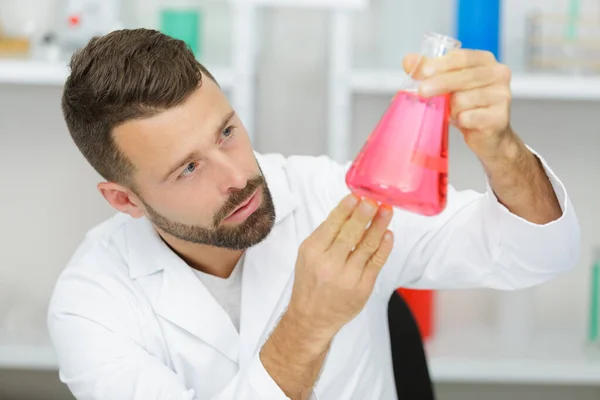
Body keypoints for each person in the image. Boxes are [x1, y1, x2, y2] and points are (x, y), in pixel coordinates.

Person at [47, 28, 580, 400]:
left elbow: (538, 253)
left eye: (227, 133)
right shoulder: (92, 303)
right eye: (188, 168)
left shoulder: (326, 194)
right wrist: (307, 326)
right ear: (124, 199)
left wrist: (503, 151)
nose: (236, 177)